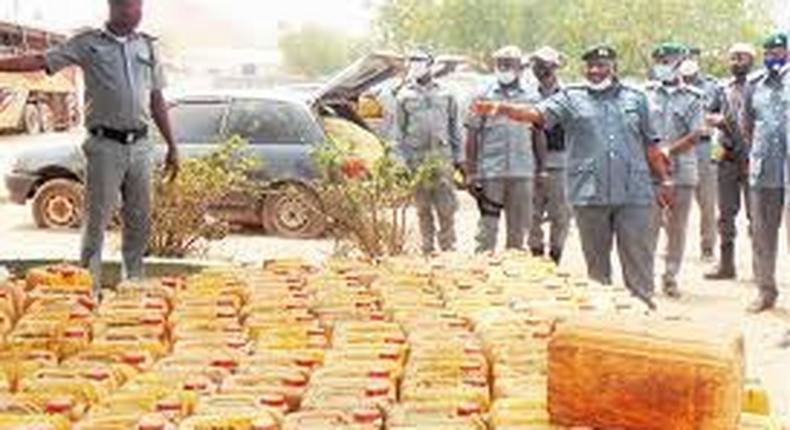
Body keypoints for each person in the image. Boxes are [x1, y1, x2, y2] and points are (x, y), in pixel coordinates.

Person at [471, 45, 672, 309]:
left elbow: (651, 145)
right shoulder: (571, 98)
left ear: (613, 67)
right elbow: (537, 114)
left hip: (634, 193)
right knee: (597, 273)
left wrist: (665, 181)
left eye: (601, 66)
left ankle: (644, 319)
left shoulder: (636, 99)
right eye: (590, 66)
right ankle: (603, 330)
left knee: (639, 265)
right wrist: (501, 108)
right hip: (590, 194)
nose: (595, 71)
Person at [0, 0, 179, 296]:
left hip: (142, 146)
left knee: (139, 220)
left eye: (139, 8)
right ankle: (88, 290)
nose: (135, 14)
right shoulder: (87, 43)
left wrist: (172, 145)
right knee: (96, 221)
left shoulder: (147, 47)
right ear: (113, 7)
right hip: (105, 145)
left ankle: (132, 286)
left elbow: (157, 99)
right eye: (129, 8)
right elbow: (40, 60)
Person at [465, 45, 544, 253]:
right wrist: (471, 173)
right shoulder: (482, 96)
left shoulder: (532, 97)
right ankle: (481, 273)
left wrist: (541, 169)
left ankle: (512, 280)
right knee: (487, 230)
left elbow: (538, 134)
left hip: (522, 172)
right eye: (500, 64)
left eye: (508, 64)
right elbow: (472, 135)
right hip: (491, 172)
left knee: (518, 232)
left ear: (519, 67)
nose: (504, 68)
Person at [646, 42, 706, 298]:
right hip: (650, 172)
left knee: (677, 227)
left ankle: (670, 276)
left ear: (680, 64)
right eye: (659, 61)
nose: (663, 66)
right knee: (647, 225)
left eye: (668, 61)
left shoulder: (694, 97)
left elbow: (697, 133)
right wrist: (654, 152)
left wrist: (669, 150)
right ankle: (643, 275)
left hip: (682, 171)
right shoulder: (645, 94)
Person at [395, 48, 463, 255]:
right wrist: (400, 162)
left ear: (430, 65)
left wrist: (460, 159)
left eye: (419, 61)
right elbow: (399, 132)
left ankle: (448, 245)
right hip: (417, 159)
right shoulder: (404, 96)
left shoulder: (447, 93)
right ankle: (427, 246)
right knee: (423, 207)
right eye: (412, 61)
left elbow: (454, 127)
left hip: (442, 157)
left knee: (446, 206)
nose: (415, 65)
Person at [742, 32, 788, 313]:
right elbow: (748, 125)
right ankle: (765, 291)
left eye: (779, 50)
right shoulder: (754, 84)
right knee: (762, 235)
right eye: (769, 51)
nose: (773, 55)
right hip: (765, 171)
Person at [705, 43, 756, 280]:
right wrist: (718, 120)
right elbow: (708, 112)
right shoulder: (721, 87)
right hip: (726, 156)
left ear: (752, 60)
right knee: (725, 213)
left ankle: (760, 268)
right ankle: (726, 265)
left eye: (742, 58)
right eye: (733, 58)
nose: (737, 62)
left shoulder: (758, 87)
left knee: (756, 215)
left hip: (754, 158)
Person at [526, 46, 572, 264]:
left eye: (543, 65)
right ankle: (535, 253)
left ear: (554, 67)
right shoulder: (527, 95)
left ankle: (555, 255)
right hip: (529, 160)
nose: (539, 69)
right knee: (530, 213)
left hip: (560, 159)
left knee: (560, 214)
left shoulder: (569, 96)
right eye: (536, 64)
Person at [682, 47, 721, 261]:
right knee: (675, 199)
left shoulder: (713, 86)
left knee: (707, 202)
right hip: (680, 147)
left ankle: (708, 247)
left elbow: (723, 113)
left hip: (705, 148)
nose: (689, 60)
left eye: (693, 56)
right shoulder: (671, 86)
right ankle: (672, 243)